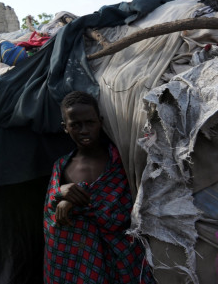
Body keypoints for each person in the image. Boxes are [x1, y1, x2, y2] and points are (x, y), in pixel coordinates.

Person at [43, 91, 154, 283]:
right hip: (76, 262)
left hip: (120, 257)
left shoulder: (121, 162)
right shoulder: (61, 166)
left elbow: (130, 209)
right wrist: (60, 194)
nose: (84, 130)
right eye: (75, 125)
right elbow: (50, 213)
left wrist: (77, 202)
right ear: (65, 128)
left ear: (100, 122)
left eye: (90, 122)